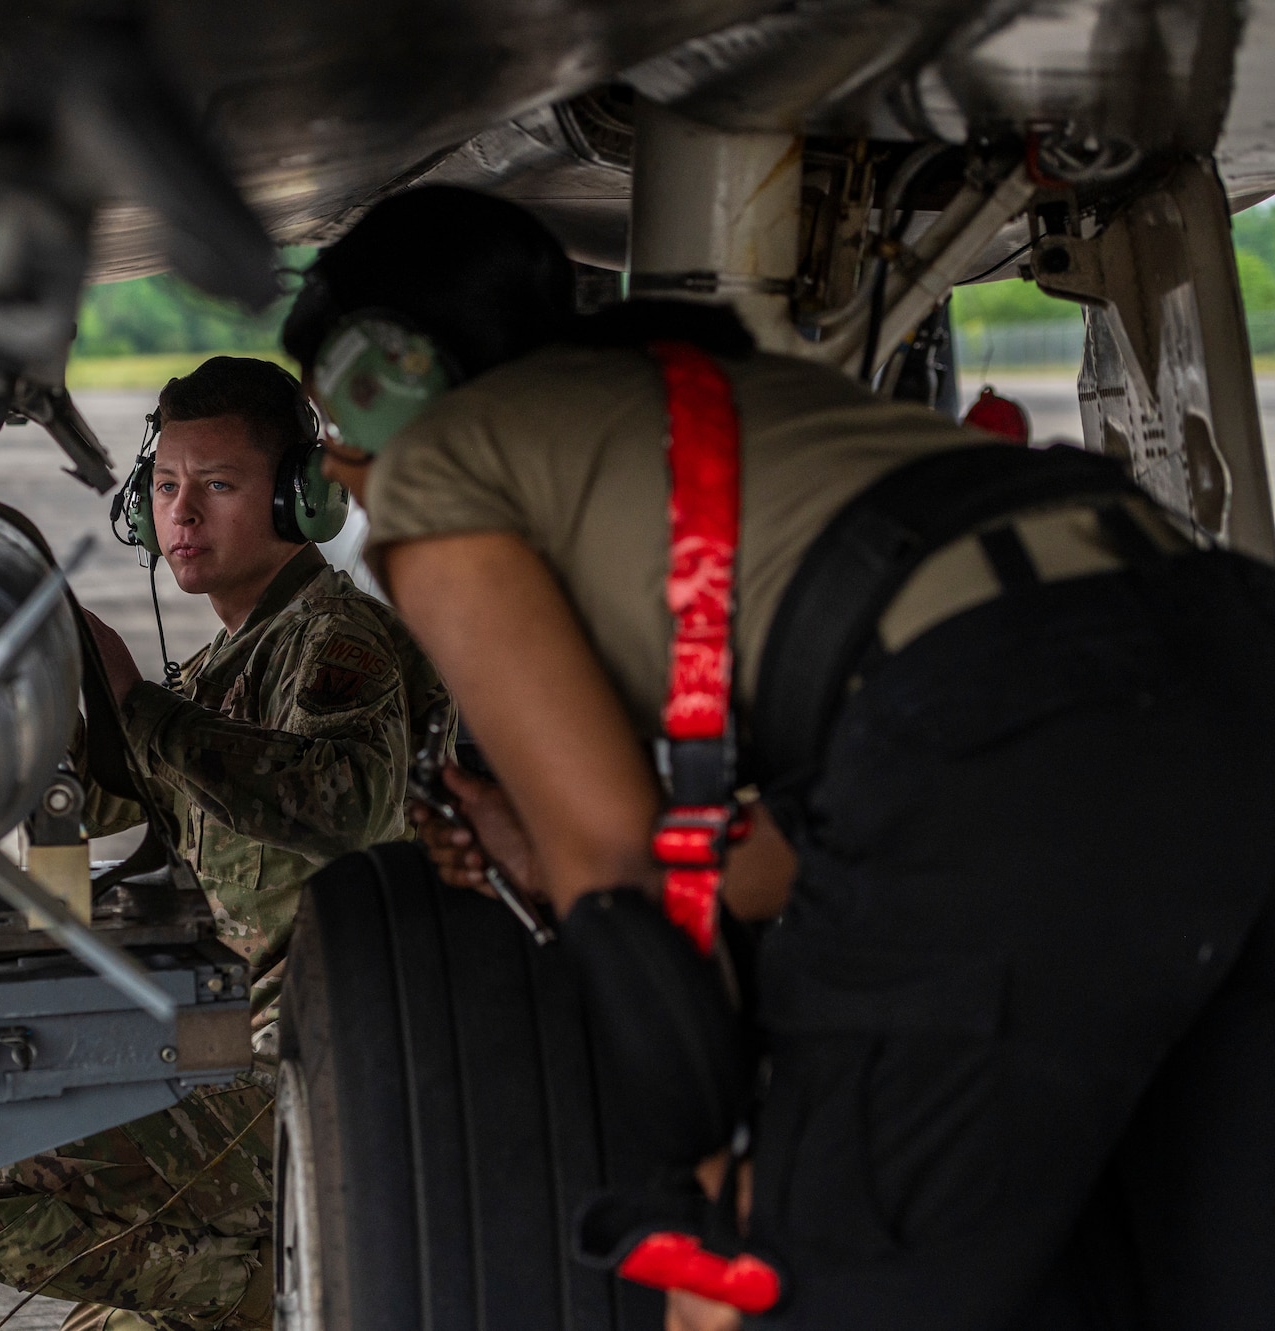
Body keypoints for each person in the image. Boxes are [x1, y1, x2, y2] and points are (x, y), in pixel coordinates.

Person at [281, 186, 1275, 1329]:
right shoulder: (746, 410)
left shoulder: (436, 468)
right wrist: (544, 856)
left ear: (386, 378)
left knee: (797, 1292)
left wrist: (716, 1195)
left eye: (332, 421)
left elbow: (622, 883)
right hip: (1225, 664)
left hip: (1005, 724)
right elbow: (838, 828)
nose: (340, 468)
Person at [0, 357, 451, 1331]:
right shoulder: (220, 665)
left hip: (321, 1069)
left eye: (218, 485)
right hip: (231, 1041)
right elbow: (111, 794)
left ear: (299, 497)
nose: (180, 513)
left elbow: (344, 797)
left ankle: (306, 1289)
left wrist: (132, 703)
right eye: (163, 484)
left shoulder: (336, 639)